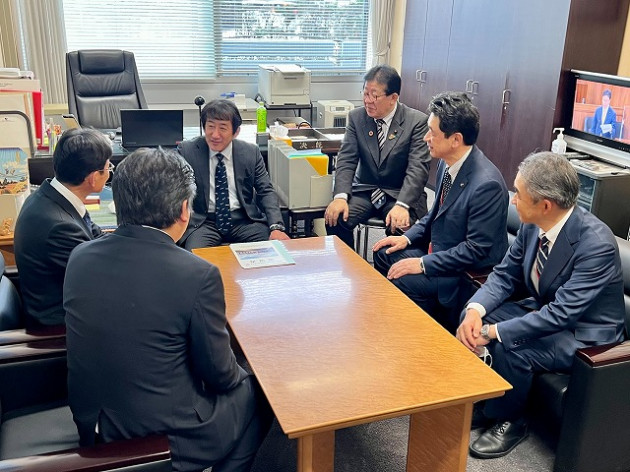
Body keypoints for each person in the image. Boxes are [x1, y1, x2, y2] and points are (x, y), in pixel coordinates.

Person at [64, 148, 273, 472]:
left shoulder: (80, 257)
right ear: (184, 210)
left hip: (94, 422)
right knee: (258, 393)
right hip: (165, 434)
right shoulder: (196, 274)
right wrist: (245, 371)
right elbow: (220, 375)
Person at [457, 152, 625, 459]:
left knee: (512, 346)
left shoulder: (595, 244)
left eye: (518, 194)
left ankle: (512, 420)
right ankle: (492, 400)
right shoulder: (533, 224)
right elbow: (505, 274)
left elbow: (561, 314)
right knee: (470, 315)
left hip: (583, 334)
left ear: (545, 204)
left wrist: (493, 331)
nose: (513, 200)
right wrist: (474, 311)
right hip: (544, 308)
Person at [372, 92, 508, 330]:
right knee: (384, 253)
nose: (426, 138)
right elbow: (434, 215)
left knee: (404, 279)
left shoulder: (487, 185)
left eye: (432, 133)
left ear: (455, 139)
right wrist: (406, 238)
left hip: (462, 272)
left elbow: (474, 250)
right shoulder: (448, 164)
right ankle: (397, 325)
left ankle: (425, 333)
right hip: (440, 251)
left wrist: (423, 263)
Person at [324, 65, 431, 248]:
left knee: (401, 228)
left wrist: (403, 205)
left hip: (398, 193)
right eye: (365, 93)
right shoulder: (357, 117)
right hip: (365, 190)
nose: (368, 101)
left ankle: (386, 265)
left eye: (374, 96)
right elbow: (346, 159)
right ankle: (349, 263)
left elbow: (417, 169)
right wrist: (340, 196)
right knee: (335, 218)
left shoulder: (417, 122)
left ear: (393, 98)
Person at [14, 128, 111, 326]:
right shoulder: (60, 228)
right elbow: (100, 279)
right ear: (93, 177)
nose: (109, 173)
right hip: (58, 323)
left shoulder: (52, 195)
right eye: (109, 167)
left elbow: (94, 234)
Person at [178, 99, 289, 249]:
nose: (215, 134)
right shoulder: (188, 151)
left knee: (271, 250)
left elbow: (265, 191)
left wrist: (276, 227)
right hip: (204, 223)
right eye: (210, 126)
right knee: (195, 255)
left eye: (222, 128)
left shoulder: (250, 152)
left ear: (236, 132)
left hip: (244, 220)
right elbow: (176, 191)